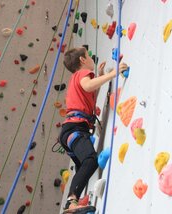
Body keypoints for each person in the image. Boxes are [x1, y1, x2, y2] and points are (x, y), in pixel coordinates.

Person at [59, 47, 128, 212]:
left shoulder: (76, 80)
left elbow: (90, 96)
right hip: (75, 128)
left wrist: (99, 73)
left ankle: (74, 204)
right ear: (82, 60)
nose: (91, 58)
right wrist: (113, 73)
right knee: (90, 160)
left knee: (84, 168)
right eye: (88, 56)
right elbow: (89, 86)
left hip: (71, 131)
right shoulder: (82, 75)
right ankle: (71, 202)